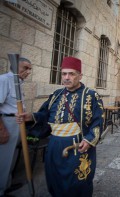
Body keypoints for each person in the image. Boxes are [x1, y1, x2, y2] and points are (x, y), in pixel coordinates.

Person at [16, 57, 104, 197]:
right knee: (55, 181)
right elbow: (44, 115)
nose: (67, 77)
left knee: (77, 185)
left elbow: (98, 121)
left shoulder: (91, 95)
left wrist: (88, 140)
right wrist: (31, 117)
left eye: (71, 74)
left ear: (80, 76)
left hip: (77, 147)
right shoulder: (55, 95)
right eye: (64, 74)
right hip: (54, 147)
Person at [0, 57, 32, 197]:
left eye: (30, 68)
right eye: (25, 68)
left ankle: (6, 185)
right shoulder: (4, 80)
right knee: (3, 159)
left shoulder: (18, 82)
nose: (28, 71)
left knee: (12, 157)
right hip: (6, 124)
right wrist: (1, 130)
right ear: (15, 67)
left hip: (17, 123)